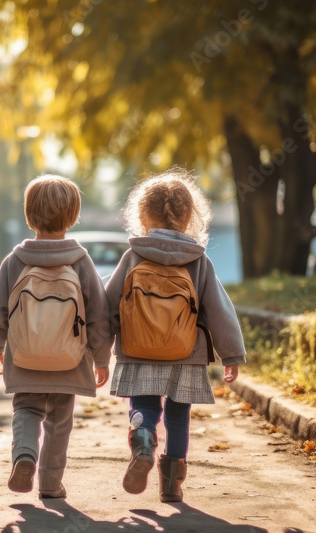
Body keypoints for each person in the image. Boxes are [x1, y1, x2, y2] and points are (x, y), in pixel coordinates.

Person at [105, 169, 246, 502]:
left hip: (137, 350)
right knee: (179, 415)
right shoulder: (198, 260)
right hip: (186, 353)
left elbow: (107, 305)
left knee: (143, 403)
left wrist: (97, 352)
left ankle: (142, 436)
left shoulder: (133, 255)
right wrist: (232, 355)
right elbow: (218, 310)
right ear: (190, 218)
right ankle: (171, 486)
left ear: (142, 215)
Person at [0, 174, 113, 499]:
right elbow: (98, 314)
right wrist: (101, 358)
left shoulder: (15, 260)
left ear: (29, 215)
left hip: (24, 357)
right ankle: (51, 484)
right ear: (72, 216)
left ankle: (24, 455)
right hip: (69, 361)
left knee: (26, 409)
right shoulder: (80, 261)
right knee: (59, 421)